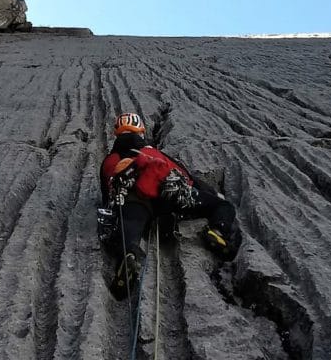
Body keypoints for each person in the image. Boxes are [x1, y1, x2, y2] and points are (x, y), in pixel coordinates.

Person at [98, 112, 242, 300]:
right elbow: (184, 174)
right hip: (169, 195)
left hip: (134, 199)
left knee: (129, 226)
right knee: (222, 206)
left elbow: (108, 193)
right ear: (141, 131)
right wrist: (209, 194)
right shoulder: (151, 152)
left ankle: (129, 253)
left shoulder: (111, 160)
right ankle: (218, 229)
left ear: (117, 133)